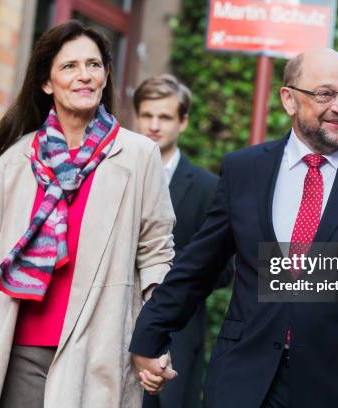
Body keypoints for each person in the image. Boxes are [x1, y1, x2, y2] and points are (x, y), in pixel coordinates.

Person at [129, 49, 338, 407]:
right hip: (245, 383)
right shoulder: (244, 170)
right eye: (325, 94)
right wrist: (148, 336)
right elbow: (198, 266)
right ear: (289, 99)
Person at [0, 21, 175, 408]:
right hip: (19, 354)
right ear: (47, 83)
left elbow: (156, 255)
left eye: (94, 65)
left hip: (100, 352)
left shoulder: (137, 155)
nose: (84, 76)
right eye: (69, 66)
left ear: (106, 76)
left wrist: (154, 340)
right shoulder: (17, 160)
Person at [134, 74, 233, 408]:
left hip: (179, 333)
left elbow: (225, 264)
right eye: (147, 115)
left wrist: (177, 283)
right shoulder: (115, 175)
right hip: (112, 325)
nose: (154, 125)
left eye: (165, 117)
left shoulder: (208, 187)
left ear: (183, 122)